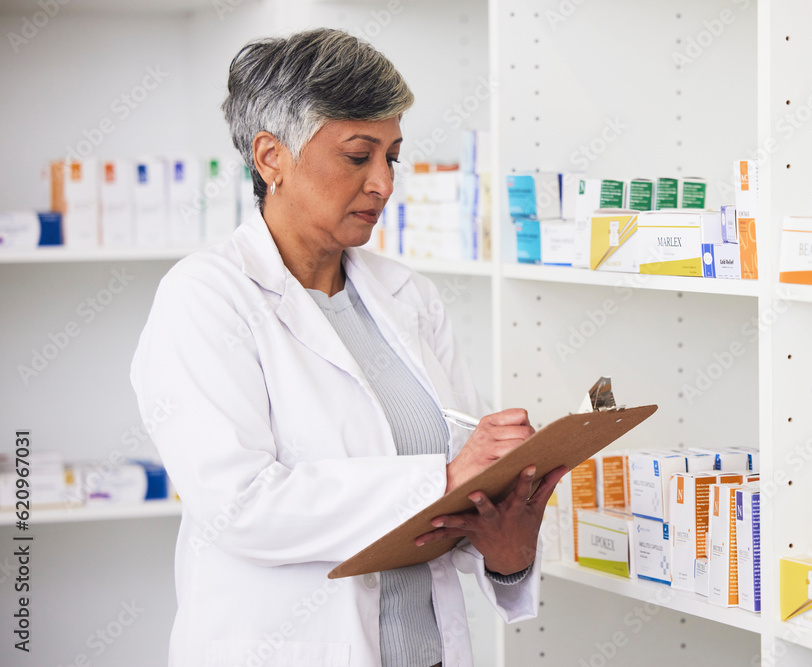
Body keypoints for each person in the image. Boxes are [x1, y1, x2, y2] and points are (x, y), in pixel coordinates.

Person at [131, 28, 564, 667]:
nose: (383, 184)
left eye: (392, 156)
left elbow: (459, 498)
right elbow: (240, 506)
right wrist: (443, 478)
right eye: (358, 156)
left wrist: (504, 547)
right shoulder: (205, 297)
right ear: (271, 157)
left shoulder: (406, 296)